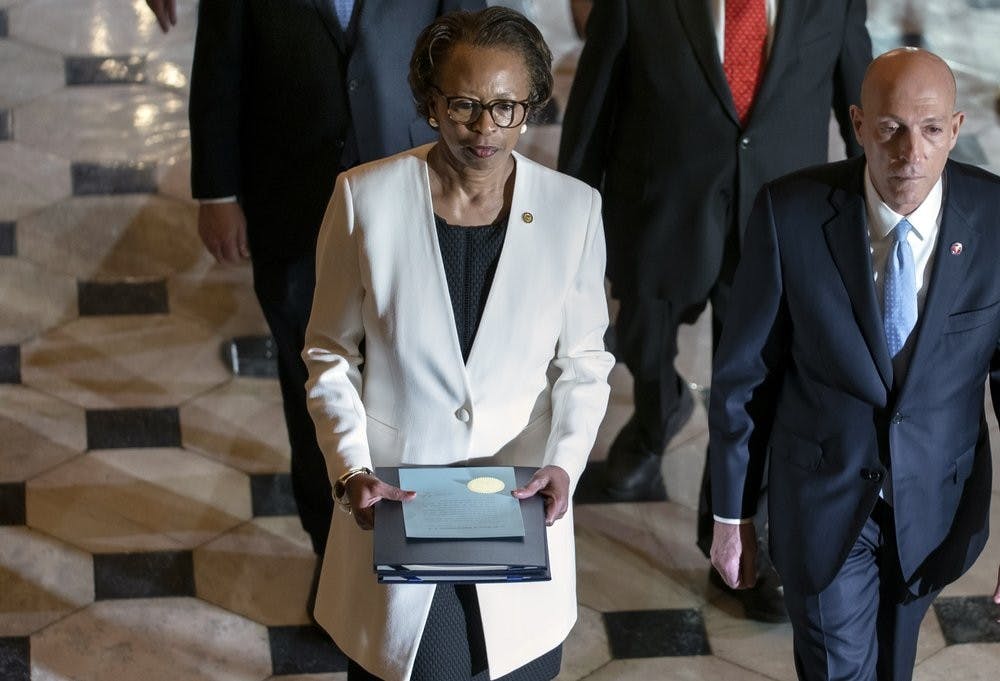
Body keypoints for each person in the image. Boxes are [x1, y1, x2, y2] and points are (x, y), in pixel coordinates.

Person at [303, 8, 614, 680]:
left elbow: (585, 364)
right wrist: (352, 466)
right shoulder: (365, 199)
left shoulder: (574, 210)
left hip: (519, 508)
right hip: (401, 505)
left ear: (531, 105)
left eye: (506, 106)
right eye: (465, 104)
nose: (484, 128)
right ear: (429, 102)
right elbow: (329, 352)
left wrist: (564, 463)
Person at [557, 0, 872, 621]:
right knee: (641, 341)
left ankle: (734, 543)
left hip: (777, 222)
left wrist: (878, 209)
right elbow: (592, 107)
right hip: (659, 209)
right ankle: (658, 410)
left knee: (753, 386)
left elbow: (859, 106)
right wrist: (567, 216)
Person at [710, 47, 1000, 680]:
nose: (910, 151)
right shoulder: (789, 212)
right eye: (891, 127)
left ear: (955, 129)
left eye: (929, 130)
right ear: (858, 124)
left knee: (894, 666)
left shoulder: (996, 218)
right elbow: (745, 377)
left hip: (935, 505)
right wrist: (731, 514)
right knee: (839, 668)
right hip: (820, 496)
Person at [188, 0, 484, 561]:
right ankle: (331, 555)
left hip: (411, 192)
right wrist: (217, 192)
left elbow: (473, 46)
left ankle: (418, 544)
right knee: (313, 384)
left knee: (419, 376)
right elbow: (220, 68)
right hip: (291, 203)